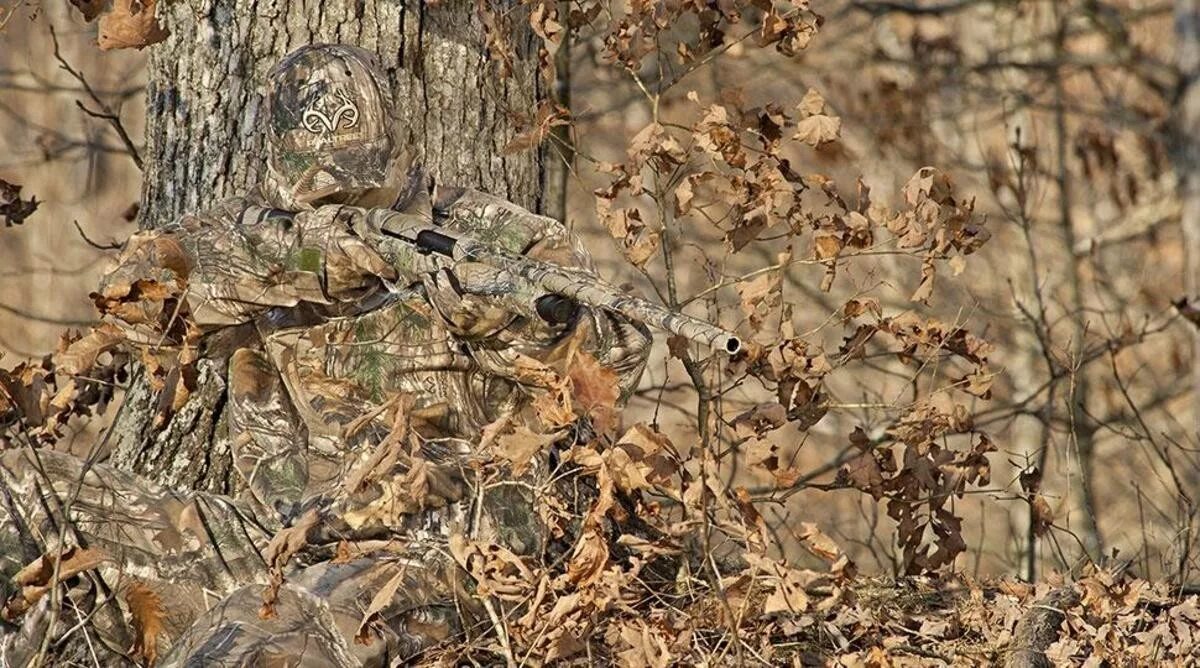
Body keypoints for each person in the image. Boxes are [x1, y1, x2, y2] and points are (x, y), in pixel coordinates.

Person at [0, 44, 650, 665]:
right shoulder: (254, 230)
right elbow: (136, 304)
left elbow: (610, 361)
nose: (341, 214)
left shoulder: (495, 239)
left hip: (433, 552)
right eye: (322, 206)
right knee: (18, 488)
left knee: (271, 630)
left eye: (357, 205)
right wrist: (318, 258)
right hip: (268, 537)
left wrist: (491, 320)